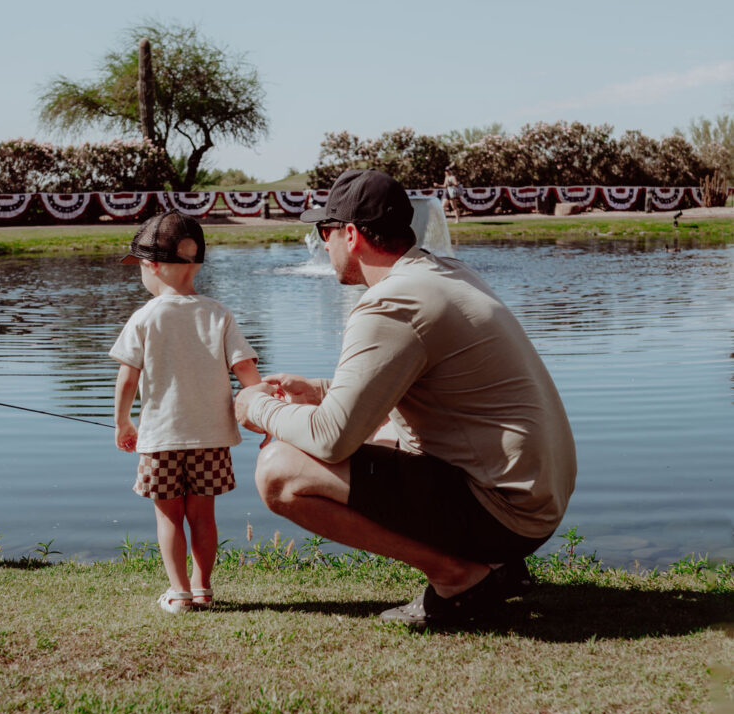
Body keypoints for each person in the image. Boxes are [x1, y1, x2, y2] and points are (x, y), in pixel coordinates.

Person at [235, 169, 576, 629]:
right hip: (531, 503)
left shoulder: (392, 303)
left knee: (280, 470)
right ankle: (495, 566)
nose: (322, 243)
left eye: (324, 231)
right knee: (378, 427)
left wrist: (256, 407)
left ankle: (458, 578)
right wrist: (317, 391)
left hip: (505, 513)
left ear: (350, 235)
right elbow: (411, 392)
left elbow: (331, 440)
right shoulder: (445, 272)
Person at [111, 210, 261, 613]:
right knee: (203, 517)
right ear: (195, 264)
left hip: (160, 439)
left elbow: (127, 380)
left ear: (152, 266)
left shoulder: (144, 317)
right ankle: (203, 587)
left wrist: (123, 422)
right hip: (212, 439)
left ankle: (178, 592)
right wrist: (267, 415)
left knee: (169, 518)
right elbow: (246, 370)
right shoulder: (218, 313)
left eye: (141, 267)